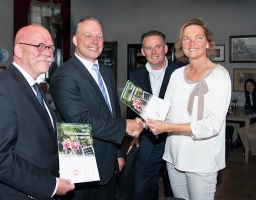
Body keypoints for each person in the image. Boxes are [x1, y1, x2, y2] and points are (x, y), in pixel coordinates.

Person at [49, 16, 143, 200]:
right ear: (75, 40)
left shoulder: (106, 72)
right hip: (81, 164)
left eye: (99, 36)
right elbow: (80, 121)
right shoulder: (64, 75)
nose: (95, 41)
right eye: (88, 36)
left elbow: (113, 112)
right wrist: (124, 126)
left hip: (108, 163)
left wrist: (118, 153)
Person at [0, 24, 75, 200]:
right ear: (19, 51)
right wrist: (50, 186)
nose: (48, 53)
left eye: (51, 47)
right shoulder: (0, 88)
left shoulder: (36, 89)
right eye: (40, 46)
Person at [145, 18, 231, 200]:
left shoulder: (220, 76)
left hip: (202, 160)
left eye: (198, 37)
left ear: (207, 43)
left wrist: (168, 128)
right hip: (174, 157)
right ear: (181, 45)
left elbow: (211, 126)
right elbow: (165, 111)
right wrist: (142, 117)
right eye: (186, 39)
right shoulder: (176, 74)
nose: (191, 43)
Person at [124, 30, 178, 200]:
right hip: (148, 140)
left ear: (166, 49)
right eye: (149, 48)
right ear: (143, 51)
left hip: (175, 140)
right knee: (142, 191)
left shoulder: (180, 72)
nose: (154, 52)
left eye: (158, 47)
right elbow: (132, 110)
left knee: (175, 192)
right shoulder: (135, 75)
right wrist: (135, 135)